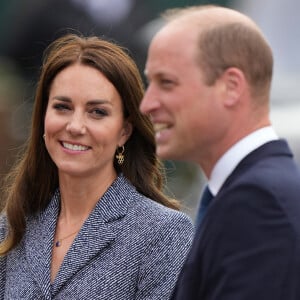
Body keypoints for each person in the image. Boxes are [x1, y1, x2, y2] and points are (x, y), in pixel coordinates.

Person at [0, 33, 194, 299]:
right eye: (62, 107)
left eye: (97, 112)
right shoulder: (14, 226)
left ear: (125, 130)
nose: (75, 126)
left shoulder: (163, 233)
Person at [140, 5, 300, 300]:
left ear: (231, 87)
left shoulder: (256, 201)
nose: (147, 104)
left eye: (166, 83)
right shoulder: (250, 191)